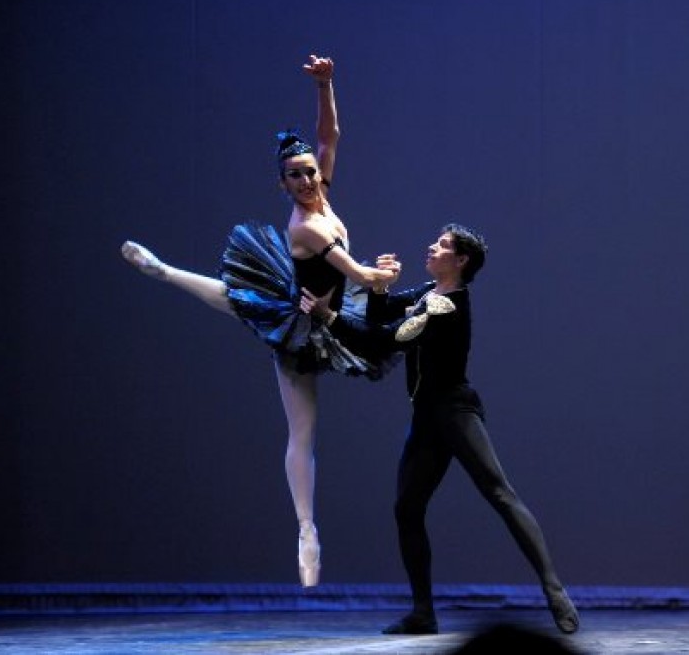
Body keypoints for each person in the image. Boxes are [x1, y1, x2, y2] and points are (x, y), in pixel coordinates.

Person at [120, 54, 400, 588]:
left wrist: (325, 85)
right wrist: (380, 273)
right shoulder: (305, 228)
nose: (305, 181)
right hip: (303, 323)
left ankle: (165, 270)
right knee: (301, 427)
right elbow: (357, 274)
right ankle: (306, 529)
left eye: (309, 172)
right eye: (293, 177)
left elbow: (331, 134)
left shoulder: (324, 191)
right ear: (283, 185)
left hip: (332, 311)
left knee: (240, 297)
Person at [300, 224, 581, 637]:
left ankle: (554, 588)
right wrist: (378, 288)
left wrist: (327, 316)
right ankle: (423, 613)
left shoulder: (447, 306)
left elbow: (380, 342)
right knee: (407, 508)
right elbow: (383, 317)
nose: (432, 246)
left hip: (454, 412)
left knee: (499, 492)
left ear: (461, 261)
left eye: (443, 245)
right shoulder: (426, 295)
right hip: (428, 418)